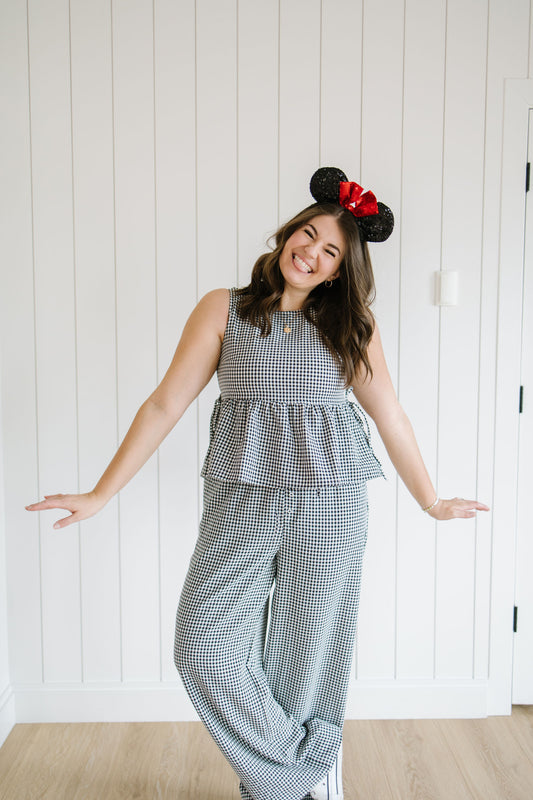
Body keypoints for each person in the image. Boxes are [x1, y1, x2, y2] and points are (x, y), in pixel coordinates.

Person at [25, 167, 489, 800]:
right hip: (241, 494)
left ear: (337, 272)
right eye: (308, 234)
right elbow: (165, 404)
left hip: (330, 497)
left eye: (331, 252)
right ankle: (302, 770)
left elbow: (391, 417)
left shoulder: (353, 325)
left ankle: (276, 787)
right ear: (286, 236)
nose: (312, 252)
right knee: (203, 644)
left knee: (306, 653)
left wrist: (431, 500)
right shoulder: (225, 308)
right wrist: (102, 492)